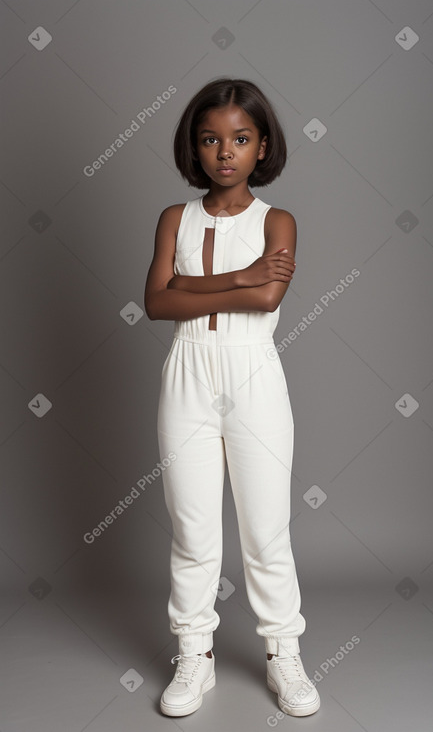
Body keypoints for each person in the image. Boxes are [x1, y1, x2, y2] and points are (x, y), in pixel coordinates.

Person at [144, 77, 320, 719]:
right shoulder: (175, 218)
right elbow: (156, 303)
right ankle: (195, 655)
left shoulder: (278, 220)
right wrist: (239, 277)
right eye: (211, 139)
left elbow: (265, 299)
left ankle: (283, 654)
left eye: (240, 139)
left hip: (254, 376)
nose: (225, 152)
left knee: (266, 530)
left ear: (262, 145)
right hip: (186, 376)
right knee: (192, 529)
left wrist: (206, 284)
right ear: (194, 148)